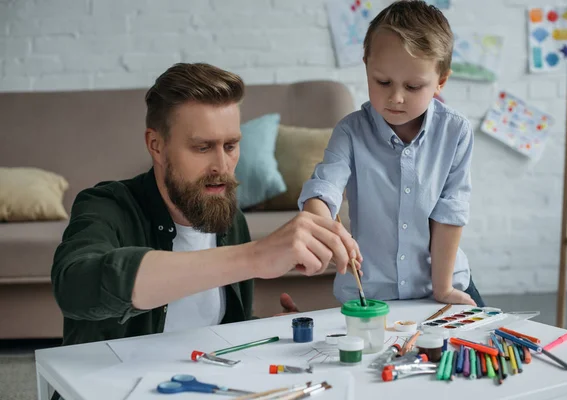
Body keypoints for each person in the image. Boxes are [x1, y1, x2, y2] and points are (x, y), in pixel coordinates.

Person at [51, 62, 362, 347]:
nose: (222, 165)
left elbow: (208, 328)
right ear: (156, 146)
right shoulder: (106, 206)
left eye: (231, 146)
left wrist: (264, 332)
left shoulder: (228, 219)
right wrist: (255, 256)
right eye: (202, 147)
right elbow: (76, 285)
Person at [299, 0, 484, 307]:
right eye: (382, 82)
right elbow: (325, 187)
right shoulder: (350, 131)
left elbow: (451, 211)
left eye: (413, 86)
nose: (396, 98)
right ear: (366, 66)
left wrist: (443, 288)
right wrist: (317, 225)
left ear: (440, 82)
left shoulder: (456, 132)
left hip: (442, 285)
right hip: (371, 294)